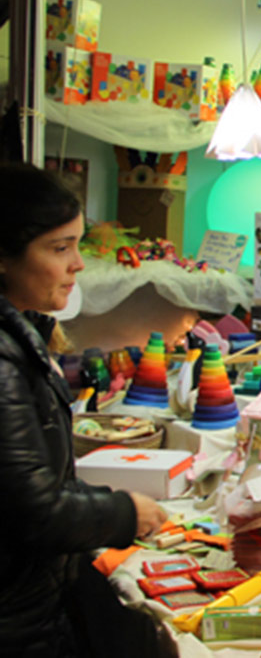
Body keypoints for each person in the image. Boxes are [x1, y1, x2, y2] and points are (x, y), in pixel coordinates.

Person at [0, 164, 171, 657]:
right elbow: (35, 511)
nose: (78, 264)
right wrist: (122, 512)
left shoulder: (23, 337)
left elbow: (37, 478)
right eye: (60, 248)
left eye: (78, 245)